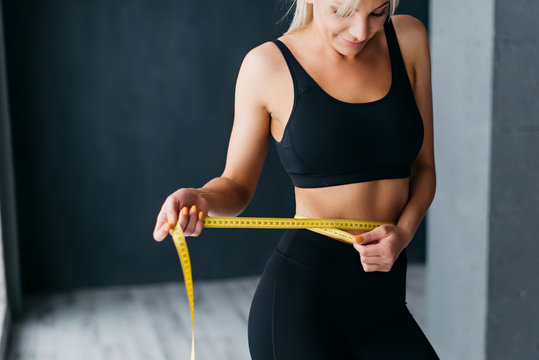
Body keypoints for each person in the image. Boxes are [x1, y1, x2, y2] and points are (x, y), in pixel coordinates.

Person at [153, 0, 439, 358]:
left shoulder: (409, 39)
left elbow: (424, 168)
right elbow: (237, 186)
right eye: (343, 11)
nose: (361, 31)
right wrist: (200, 197)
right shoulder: (267, 67)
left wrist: (404, 233)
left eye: (377, 12)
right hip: (302, 307)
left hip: (386, 302)